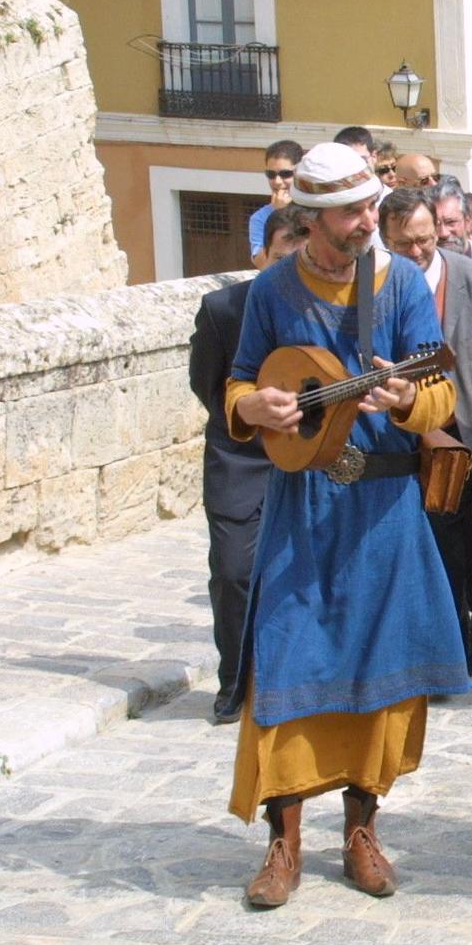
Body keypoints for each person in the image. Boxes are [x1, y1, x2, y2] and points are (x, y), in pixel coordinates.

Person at [221, 143, 472, 909]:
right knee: (288, 659)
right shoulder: (271, 291)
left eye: (372, 206)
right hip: (304, 505)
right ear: (311, 216)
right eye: (352, 212)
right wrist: (251, 406)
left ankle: (362, 831)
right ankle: (283, 840)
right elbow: (240, 382)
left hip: (383, 508)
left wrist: (402, 401)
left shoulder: (397, 287)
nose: (369, 222)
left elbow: (441, 396)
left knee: (377, 668)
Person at [378, 188, 472, 676]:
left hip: (462, 432)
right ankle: (449, 647)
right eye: (404, 245)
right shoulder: (376, 289)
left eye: (425, 238)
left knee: (470, 535)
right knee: (433, 542)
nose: (418, 251)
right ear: (384, 239)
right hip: (398, 438)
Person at [190, 208, 305, 723]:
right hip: (240, 459)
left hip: (307, 457)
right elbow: (207, 384)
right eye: (281, 257)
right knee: (235, 571)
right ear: (262, 254)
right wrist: (249, 416)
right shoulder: (222, 310)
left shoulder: (325, 310)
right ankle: (234, 680)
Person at [248, 140, 303, 266]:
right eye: (271, 174)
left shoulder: (315, 207)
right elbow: (262, 264)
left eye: (285, 174)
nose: (277, 181)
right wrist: (279, 213)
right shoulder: (259, 218)